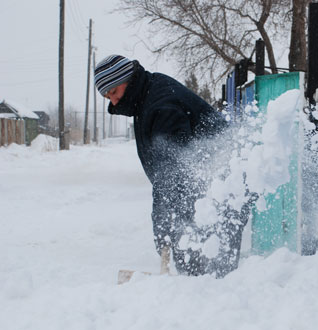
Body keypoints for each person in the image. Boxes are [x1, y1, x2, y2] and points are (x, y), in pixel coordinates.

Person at [94, 54, 252, 277]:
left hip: (220, 193)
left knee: (211, 275)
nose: (114, 101)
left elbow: (173, 174)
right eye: (107, 97)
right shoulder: (145, 96)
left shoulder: (161, 105)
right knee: (193, 265)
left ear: (127, 80)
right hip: (206, 190)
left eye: (114, 92)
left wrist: (163, 226)